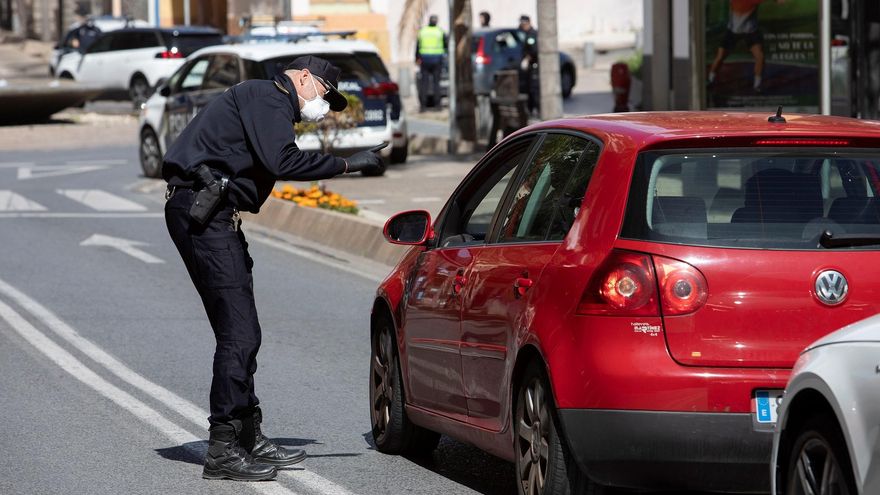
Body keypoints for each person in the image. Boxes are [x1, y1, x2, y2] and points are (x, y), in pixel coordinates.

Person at [162, 55, 383, 482]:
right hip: (202, 212)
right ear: (303, 77)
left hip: (210, 212)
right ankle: (223, 449)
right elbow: (284, 161)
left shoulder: (268, 99)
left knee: (243, 331)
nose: (324, 105)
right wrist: (348, 163)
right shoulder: (270, 97)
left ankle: (246, 435)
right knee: (239, 334)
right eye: (325, 94)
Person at [707, 0, 783, 93]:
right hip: (733, 32)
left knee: (760, 56)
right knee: (720, 57)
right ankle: (710, 79)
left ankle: (757, 85)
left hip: (750, 32)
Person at [415, 14, 447, 111]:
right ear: (436, 22)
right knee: (436, 83)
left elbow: (417, 46)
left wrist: (416, 58)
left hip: (425, 59)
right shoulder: (440, 31)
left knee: (424, 83)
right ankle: (438, 105)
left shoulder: (423, 31)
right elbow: (446, 45)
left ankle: (423, 106)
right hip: (437, 60)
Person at [517, 15, 539, 114]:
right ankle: (531, 109)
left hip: (534, 65)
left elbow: (534, 50)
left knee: (534, 89)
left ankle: (536, 109)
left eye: (524, 24)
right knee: (529, 89)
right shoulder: (525, 34)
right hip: (530, 67)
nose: (522, 26)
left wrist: (527, 59)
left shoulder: (532, 34)